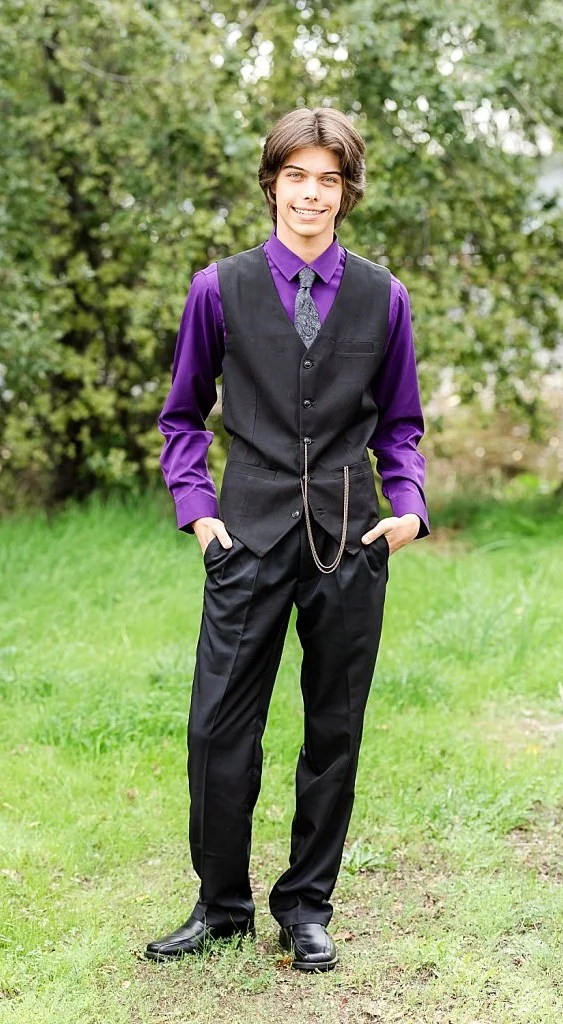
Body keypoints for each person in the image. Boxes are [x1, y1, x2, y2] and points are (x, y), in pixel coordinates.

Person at [145, 107, 430, 973]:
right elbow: (181, 418)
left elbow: (404, 426)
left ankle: (307, 907)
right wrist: (200, 515)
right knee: (216, 729)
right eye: (298, 177)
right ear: (272, 183)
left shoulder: (385, 297)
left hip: (351, 538)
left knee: (332, 730)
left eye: (329, 180)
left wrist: (408, 507)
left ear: (347, 193)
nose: (312, 195)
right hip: (246, 536)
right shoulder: (217, 289)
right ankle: (221, 905)